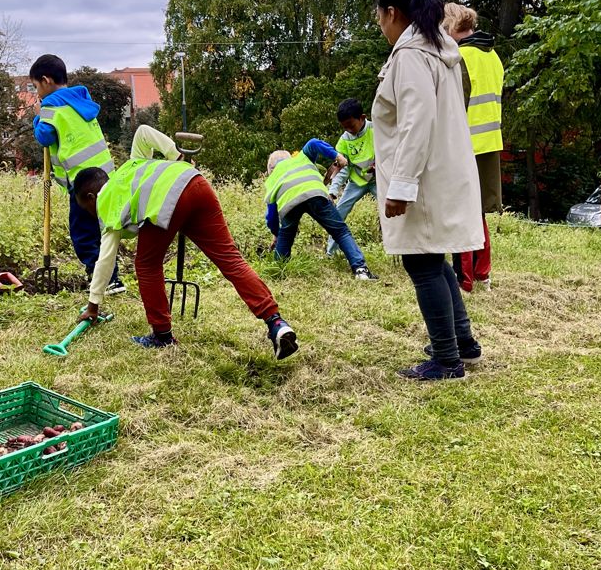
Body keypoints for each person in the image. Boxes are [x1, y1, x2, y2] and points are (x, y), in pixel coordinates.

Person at [73, 131, 299, 359]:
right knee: (230, 259)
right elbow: (142, 132)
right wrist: (176, 155)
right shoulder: (131, 165)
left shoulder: (106, 202)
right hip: (195, 181)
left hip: (167, 200)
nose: (91, 215)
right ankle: (276, 322)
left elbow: (105, 259)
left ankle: (162, 335)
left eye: (86, 209)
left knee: (146, 265)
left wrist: (93, 306)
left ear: (91, 197)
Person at [371, 0, 485, 380]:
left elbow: (416, 123)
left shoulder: (411, 57)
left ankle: (447, 359)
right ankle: (463, 344)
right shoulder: (439, 51)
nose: (379, 26)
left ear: (392, 13)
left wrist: (401, 185)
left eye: (378, 16)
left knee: (423, 264)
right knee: (435, 260)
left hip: (423, 178)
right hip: (439, 171)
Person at [29, 54, 125, 295]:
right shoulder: (80, 100)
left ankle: (102, 279)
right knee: (102, 229)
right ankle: (113, 278)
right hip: (104, 176)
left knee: (82, 233)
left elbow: (45, 136)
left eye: (35, 86)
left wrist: (37, 118)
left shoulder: (52, 104)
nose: (36, 92)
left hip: (83, 183)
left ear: (46, 80)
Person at [443, 3, 503, 292]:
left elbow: (453, 106)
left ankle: (462, 281)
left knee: (461, 214)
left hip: (465, 145)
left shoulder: (460, 57)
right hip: (490, 143)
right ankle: (483, 275)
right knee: (477, 214)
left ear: (451, 27)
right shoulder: (493, 57)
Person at [265, 142, 373, 280]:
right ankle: (360, 270)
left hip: (289, 205)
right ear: (290, 157)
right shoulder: (301, 157)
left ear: (270, 169)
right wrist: (337, 156)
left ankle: (278, 273)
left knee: (285, 236)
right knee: (340, 231)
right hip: (315, 194)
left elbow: (271, 216)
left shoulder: (271, 180)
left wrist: (276, 234)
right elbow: (314, 143)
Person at [324, 98, 378, 255]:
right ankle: (330, 253)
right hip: (356, 182)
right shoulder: (344, 141)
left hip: (378, 180)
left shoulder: (376, 129)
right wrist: (333, 192)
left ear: (362, 117)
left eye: (351, 125)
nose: (349, 129)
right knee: (338, 214)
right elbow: (341, 169)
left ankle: (405, 251)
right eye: (344, 127)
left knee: (390, 211)